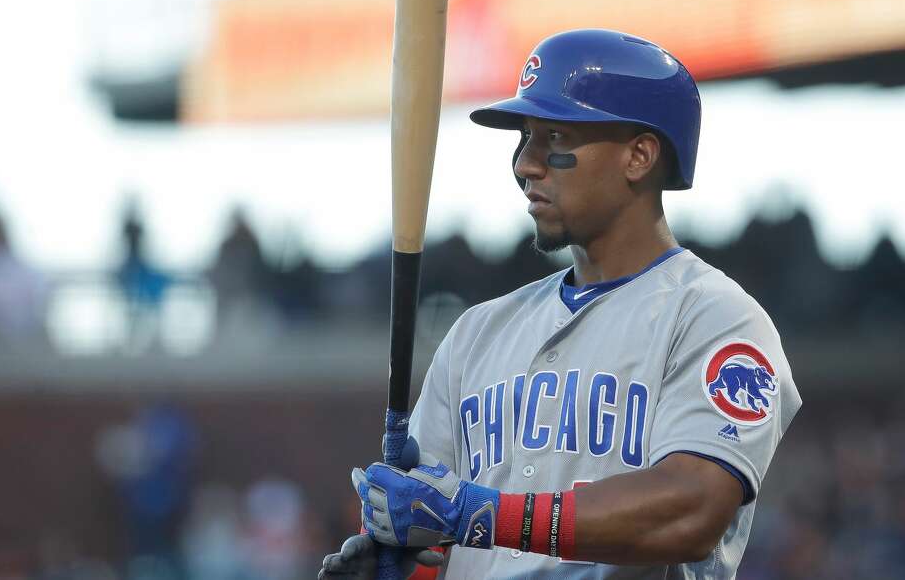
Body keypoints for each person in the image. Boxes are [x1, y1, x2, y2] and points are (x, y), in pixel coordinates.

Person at [322, 29, 802, 579]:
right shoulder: (478, 332)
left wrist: (477, 515)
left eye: (555, 138)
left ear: (639, 156)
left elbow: (691, 511)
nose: (526, 163)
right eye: (525, 139)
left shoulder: (714, 318)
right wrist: (398, 568)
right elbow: (436, 542)